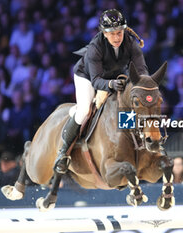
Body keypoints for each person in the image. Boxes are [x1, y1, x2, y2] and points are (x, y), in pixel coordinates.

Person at [54, 9, 148, 174]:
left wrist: (143, 86)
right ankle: (64, 152)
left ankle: (134, 145)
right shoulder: (95, 47)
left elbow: (141, 71)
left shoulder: (131, 43)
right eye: (112, 34)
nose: (117, 37)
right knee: (84, 110)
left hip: (114, 76)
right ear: (104, 33)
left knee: (127, 104)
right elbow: (96, 80)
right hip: (87, 77)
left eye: (119, 33)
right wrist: (111, 84)